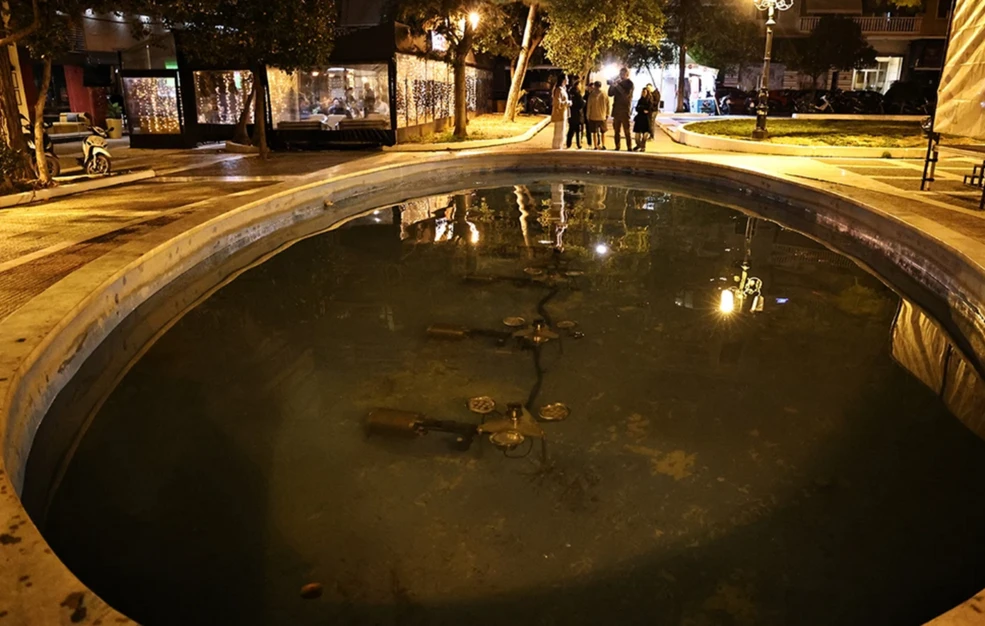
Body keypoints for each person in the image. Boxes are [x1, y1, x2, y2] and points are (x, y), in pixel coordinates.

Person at [608, 67, 634, 151]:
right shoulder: (618, 83)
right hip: (616, 110)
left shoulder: (629, 84)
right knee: (616, 130)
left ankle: (629, 146)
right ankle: (617, 146)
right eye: (620, 74)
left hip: (625, 109)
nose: (621, 75)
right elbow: (610, 94)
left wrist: (617, 86)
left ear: (627, 74)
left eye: (623, 74)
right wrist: (612, 85)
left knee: (626, 130)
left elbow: (625, 95)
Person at [586, 81, 610, 150]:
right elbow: (608, 105)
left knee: (594, 132)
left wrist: (588, 115)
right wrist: (607, 113)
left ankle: (595, 146)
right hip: (602, 116)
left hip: (593, 116)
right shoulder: (604, 94)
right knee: (603, 132)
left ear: (595, 86)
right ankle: (603, 145)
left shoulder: (591, 95)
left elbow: (589, 106)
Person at [551, 75, 570, 150]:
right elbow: (557, 103)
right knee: (559, 129)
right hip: (559, 113)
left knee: (562, 129)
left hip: (563, 112)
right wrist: (567, 103)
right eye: (566, 78)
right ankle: (557, 145)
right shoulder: (559, 90)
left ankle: (559, 145)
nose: (568, 80)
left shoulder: (563, 89)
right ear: (563, 80)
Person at [633, 85, 654, 152]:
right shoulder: (640, 100)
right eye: (642, 92)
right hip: (639, 118)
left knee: (645, 134)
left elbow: (649, 109)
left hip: (646, 119)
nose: (643, 93)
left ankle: (643, 146)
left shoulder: (650, 100)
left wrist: (641, 108)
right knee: (637, 134)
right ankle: (638, 145)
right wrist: (642, 109)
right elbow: (637, 108)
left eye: (644, 92)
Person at [566, 77, 586, 149]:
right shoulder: (577, 94)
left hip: (571, 113)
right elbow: (581, 103)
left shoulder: (570, 92)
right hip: (577, 113)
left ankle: (568, 143)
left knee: (571, 129)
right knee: (578, 130)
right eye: (580, 85)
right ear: (577, 85)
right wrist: (584, 102)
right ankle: (578, 144)